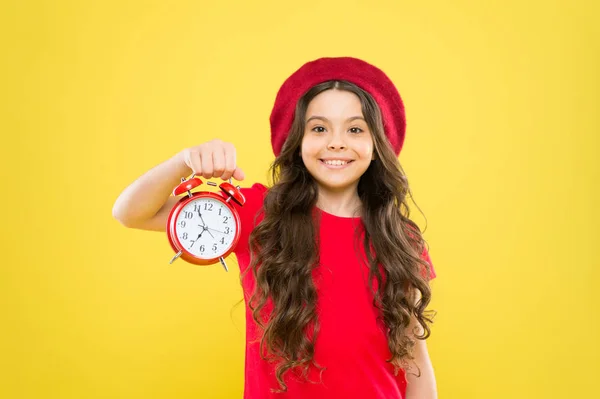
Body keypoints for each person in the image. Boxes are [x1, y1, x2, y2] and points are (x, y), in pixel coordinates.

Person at [112, 57, 438, 399]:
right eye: (319, 128)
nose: (336, 143)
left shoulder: (403, 238)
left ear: (377, 144)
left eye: (355, 129)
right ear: (297, 141)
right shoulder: (258, 214)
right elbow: (130, 212)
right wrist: (184, 161)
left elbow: (414, 360)